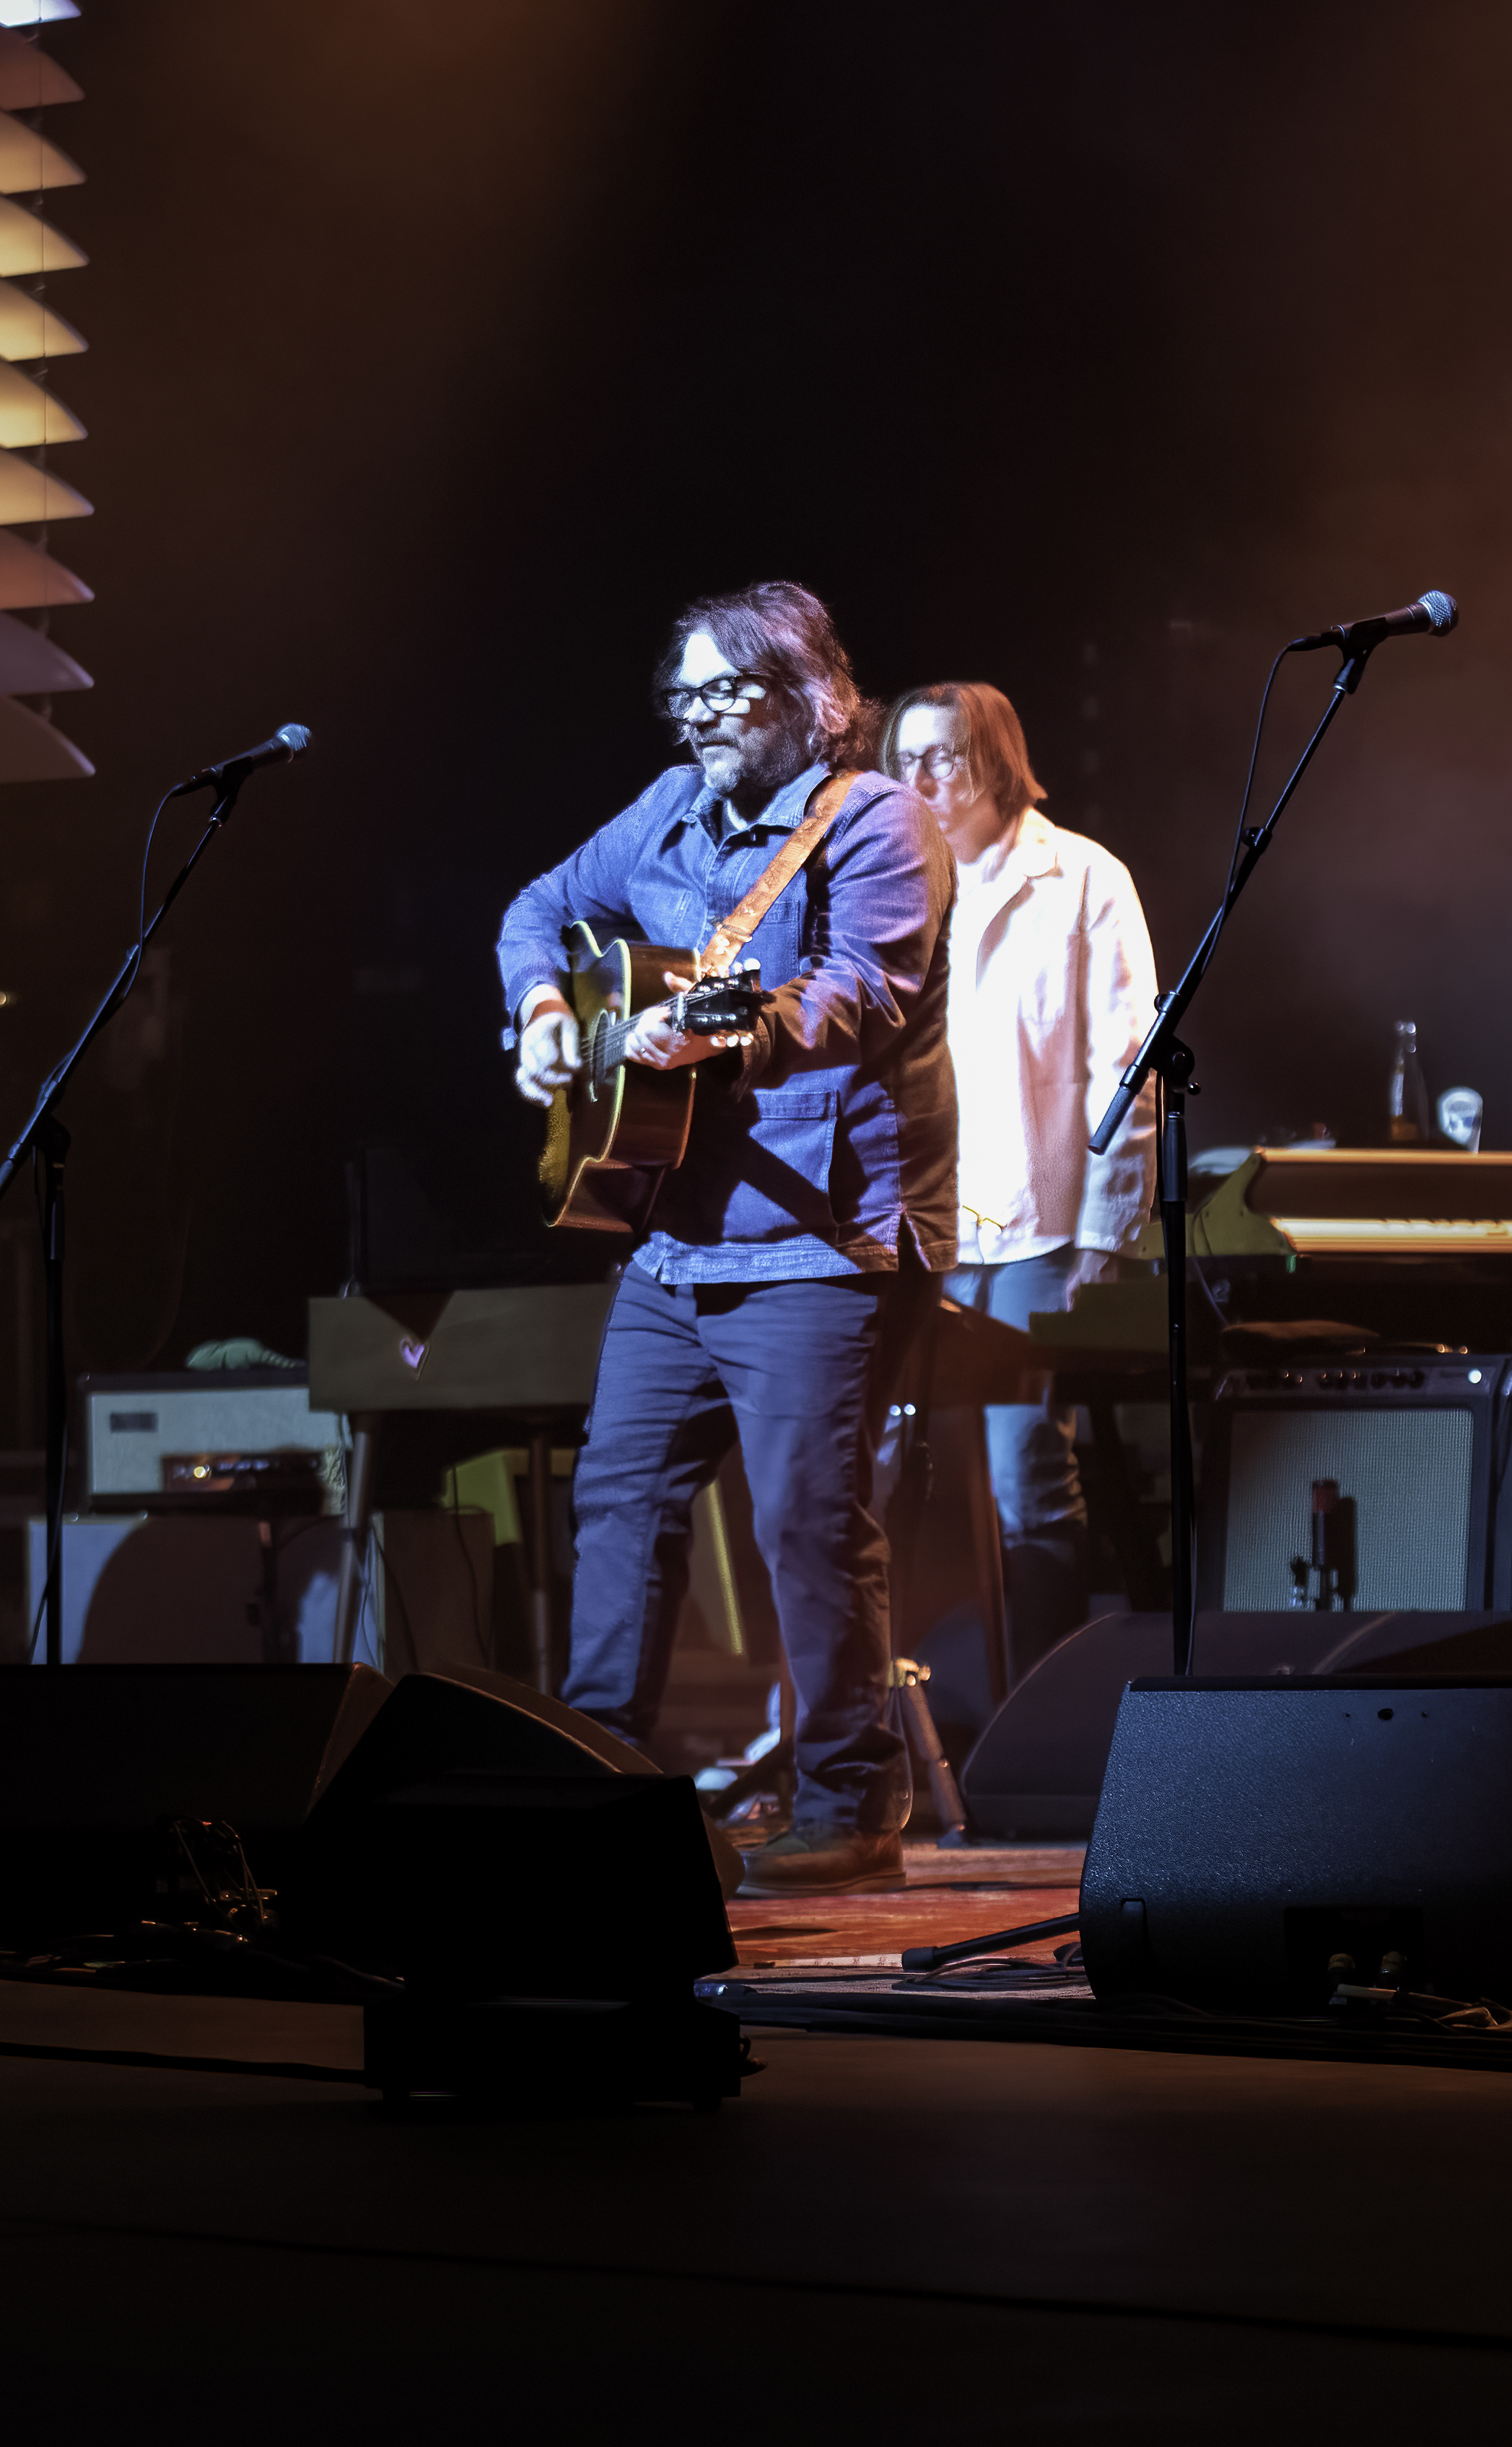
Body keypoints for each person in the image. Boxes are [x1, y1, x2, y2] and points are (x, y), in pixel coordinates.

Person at [501, 583, 955, 1898]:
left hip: (817, 1239)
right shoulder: (664, 804)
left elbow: (866, 990)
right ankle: (597, 1780)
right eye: (683, 695)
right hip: (671, 1235)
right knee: (615, 1507)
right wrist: (542, 1009)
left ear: (806, 694)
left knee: (809, 1525)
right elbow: (535, 906)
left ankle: (849, 1805)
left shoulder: (875, 818)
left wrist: (725, 1032)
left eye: (723, 693)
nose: (697, 717)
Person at [883, 681, 1158, 1678]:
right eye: (902, 758)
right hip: (919, 1229)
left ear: (995, 760)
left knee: (1026, 1476)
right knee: (894, 1474)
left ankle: (1038, 1717)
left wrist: (1103, 1232)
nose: (918, 777)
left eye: (942, 755)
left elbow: (1126, 1065)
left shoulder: (1083, 877)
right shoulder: (897, 883)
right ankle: (908, 1721)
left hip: (1039, 1231)